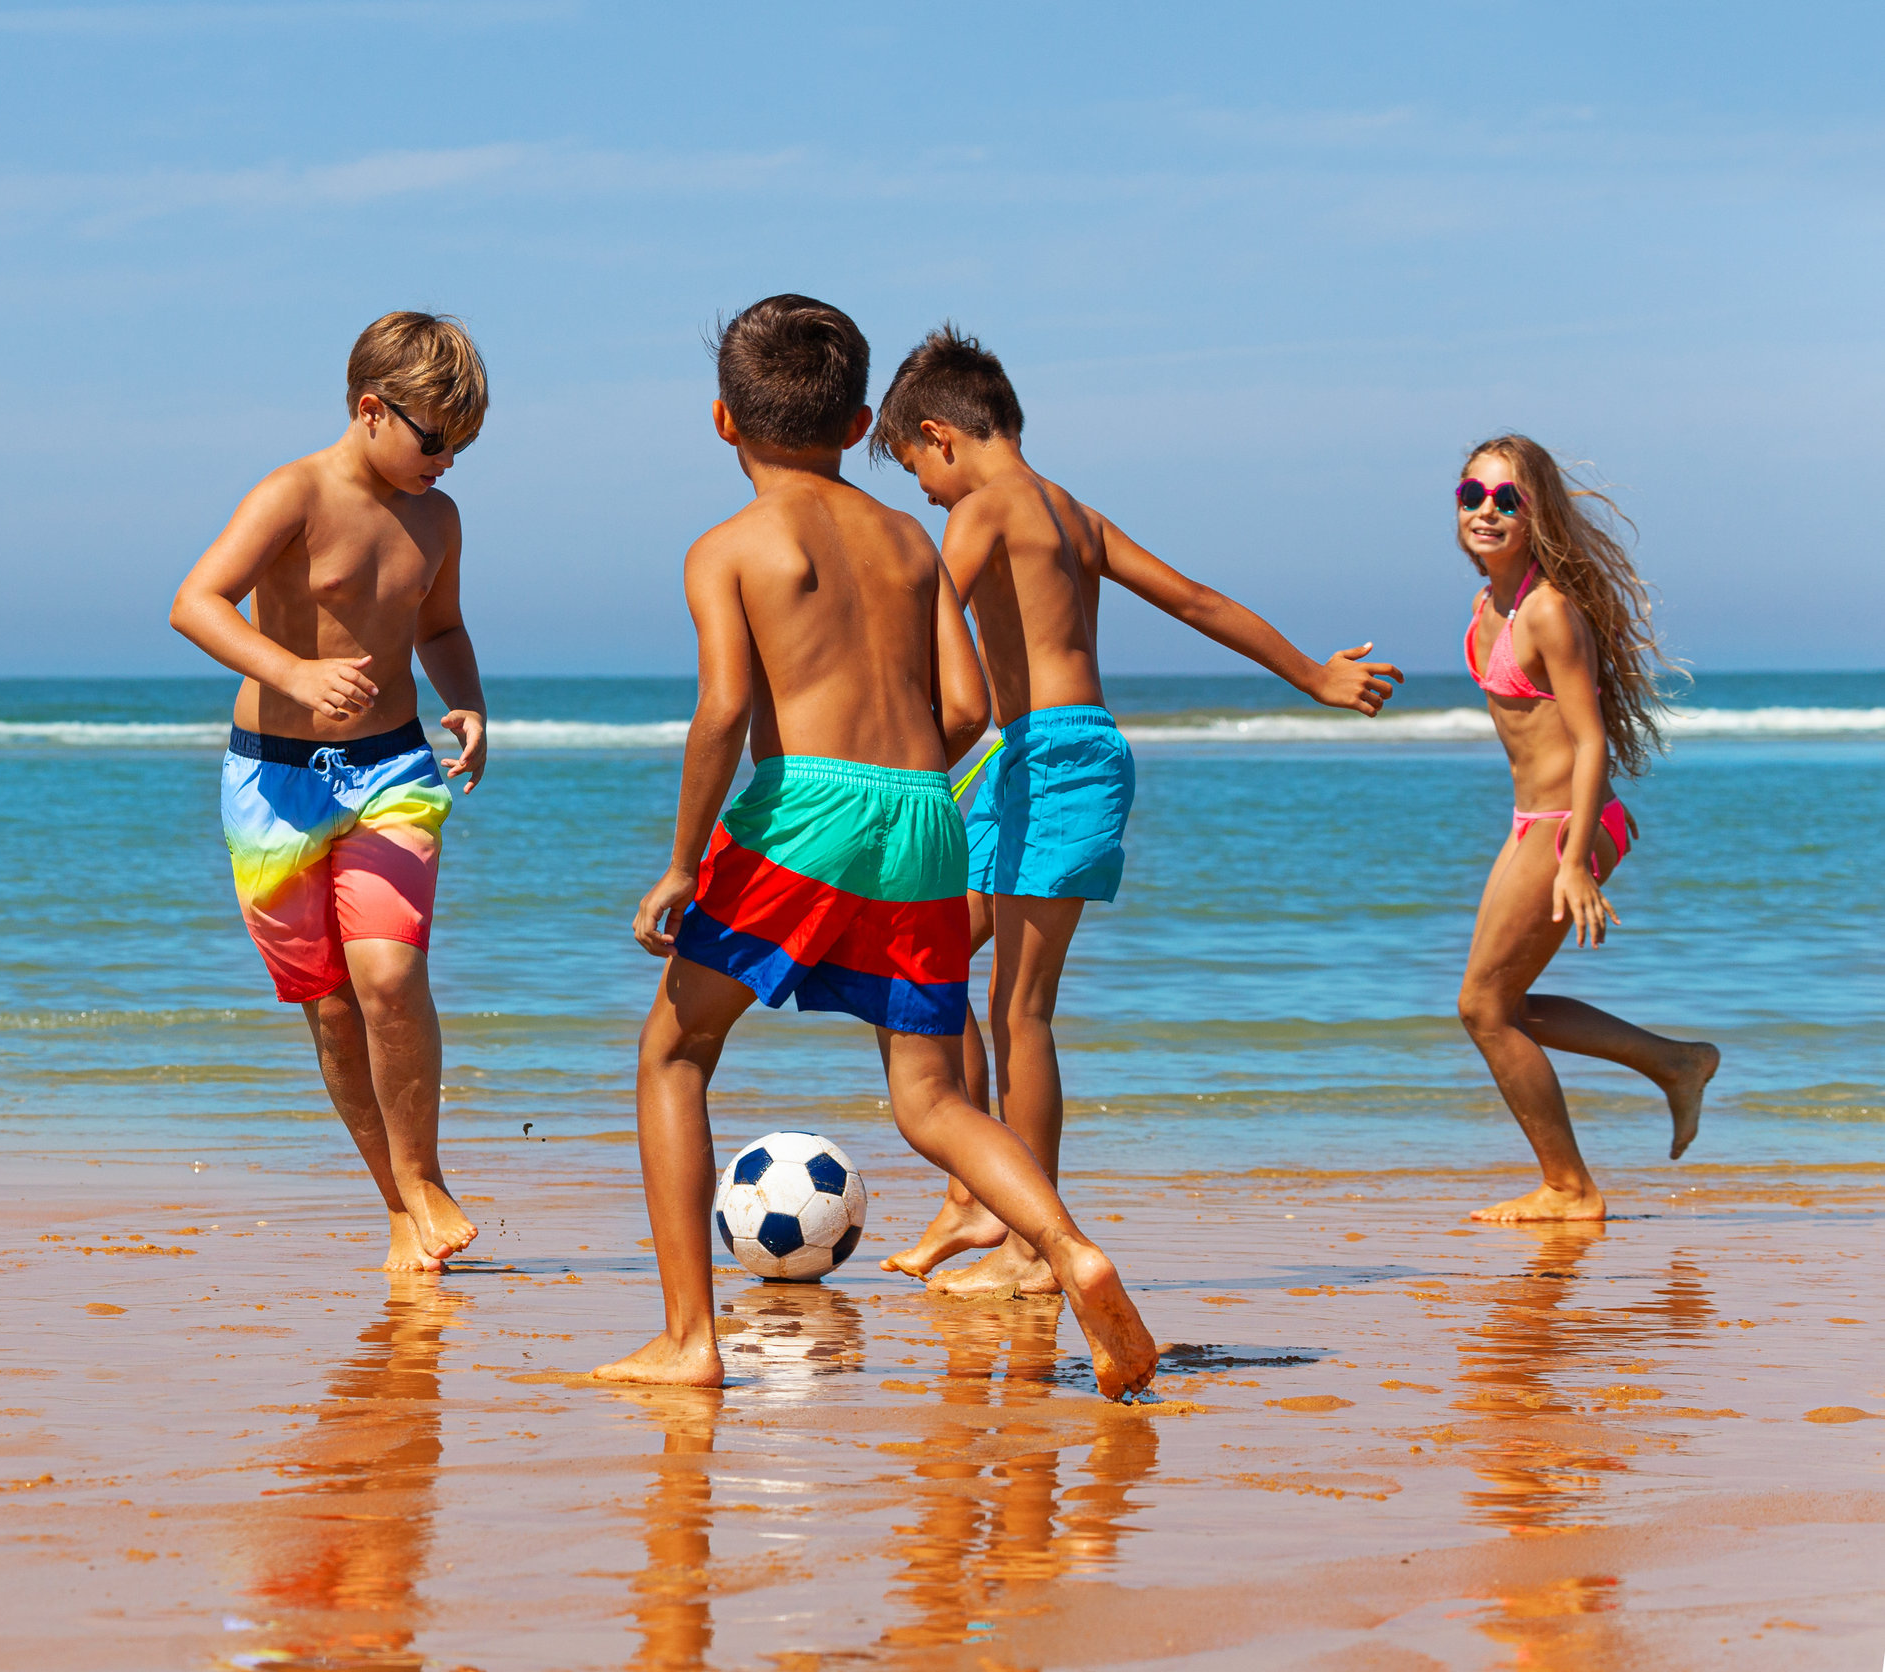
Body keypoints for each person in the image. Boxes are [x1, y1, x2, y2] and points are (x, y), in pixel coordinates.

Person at [590, 295, 1157, 1400]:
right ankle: (1067, 1246)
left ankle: (689, 1341)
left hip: (808, 807)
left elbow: (718, 716)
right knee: (932, 1097)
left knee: (675, 1051)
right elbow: (967, 705)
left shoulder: (730, 548)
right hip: (929, 813)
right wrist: (900, 787)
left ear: (722, 422)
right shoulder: (908, 538)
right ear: (861, 427)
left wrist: (681, 860)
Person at [867, 327, 1400, 1296]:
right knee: (937, 947)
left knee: (1020, 1007)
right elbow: (1194, 601)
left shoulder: (983, 512)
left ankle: (1033, 1245)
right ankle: (972, 1194)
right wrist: (1313, 674)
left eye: (914, 471)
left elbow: (923, 625)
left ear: (941, 437)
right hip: (1021, 758)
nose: (925, 492)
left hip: (1059, 757)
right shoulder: (1076, 515)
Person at [169, 310, 492, 1271]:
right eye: (437, 439)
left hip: (394, 766)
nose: (448, 462)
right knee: (332, 1006)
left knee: (389, 978)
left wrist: (467, 702)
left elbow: (440, 626)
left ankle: (425, 1176)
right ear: (371, 410)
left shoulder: (437, 517)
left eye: (464, 445)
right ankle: (400, 1208)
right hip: (274, 781)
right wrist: (294, 672)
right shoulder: (294, 494)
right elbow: (194, 602)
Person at [1447, 434, 1717, 1220]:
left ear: (1538, 515)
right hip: (1533, 820)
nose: (1487, 512)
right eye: (1473, 496)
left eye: (1508, 500)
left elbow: (1591, 739)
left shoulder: (1547, 610)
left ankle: (1570, 1188)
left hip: (1573, 823)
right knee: (1502, 1005)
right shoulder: (1487, 605)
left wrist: (1571, 861)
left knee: (1482, 1007)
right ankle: (1677, 1062)